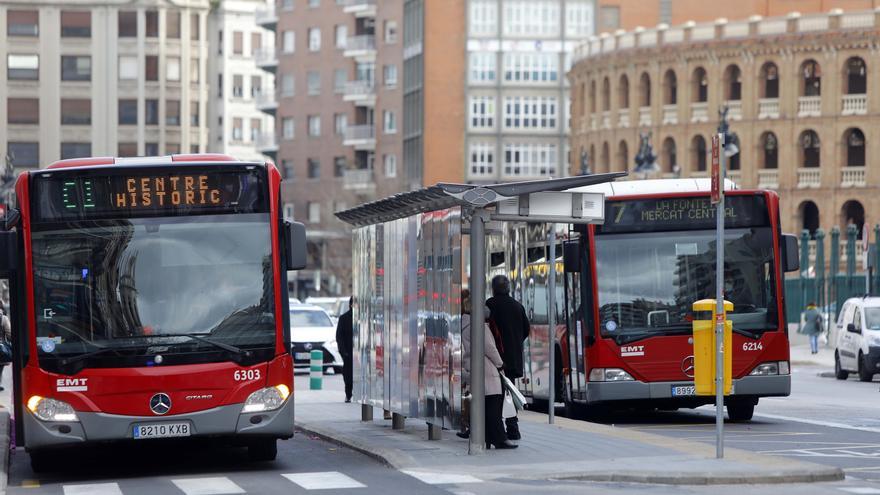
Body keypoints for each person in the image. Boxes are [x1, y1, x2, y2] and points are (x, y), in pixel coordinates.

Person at [460, 290, 517, 449]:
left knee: (483, 405)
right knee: (493, 405)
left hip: (475, 368)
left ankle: (486, 436)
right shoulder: (479, 325)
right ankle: (499, 438)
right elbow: (490, 348)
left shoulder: (464, 324)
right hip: (487, 369)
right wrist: (500, 364)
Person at [486, 275, 530, 441]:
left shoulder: (490, 305)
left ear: (494, 288)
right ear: (508, 288)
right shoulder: (518, 306)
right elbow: (526, 329)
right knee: (509, 393)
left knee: (495, 396)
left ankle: (498, 429)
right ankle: (513, 427)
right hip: (513, 358)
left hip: (495, 359)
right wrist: (515, 343)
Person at [335, 297, 354, 402]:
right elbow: (339, 336)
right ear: (350, 305)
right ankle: (348, 394)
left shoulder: (364, 318)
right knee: (348, 375)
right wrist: (343, 352)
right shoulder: (344, 318)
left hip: (362, 353)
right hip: (348, 352)